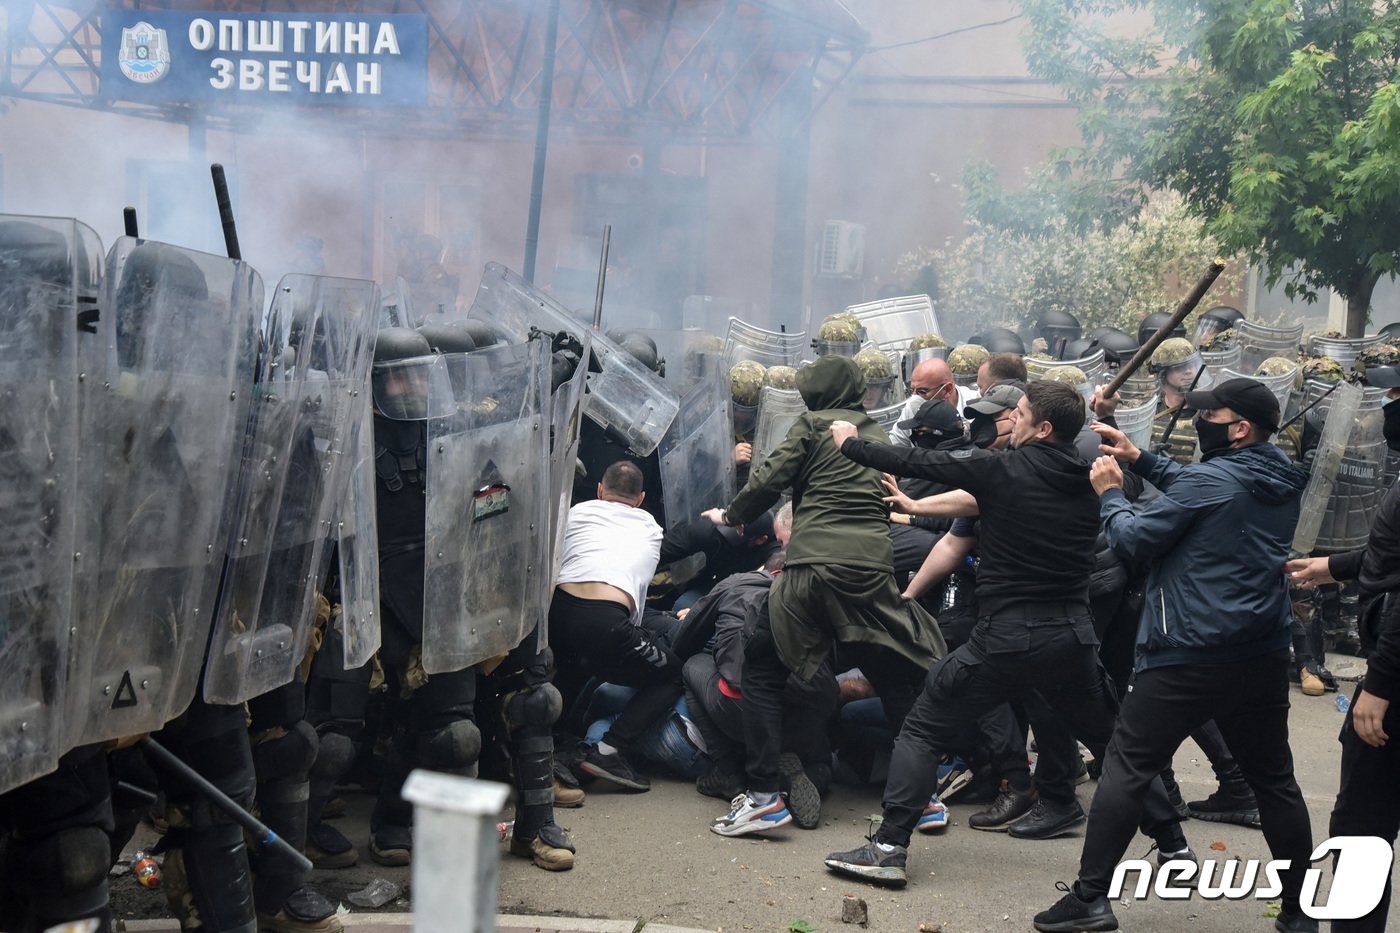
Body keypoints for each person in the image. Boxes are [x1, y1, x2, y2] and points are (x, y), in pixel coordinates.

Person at [823, 380, 1187, 888]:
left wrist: (848, 443)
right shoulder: (1097, 479)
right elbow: (1130, 472)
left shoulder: (999, 469)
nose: (1009, 421)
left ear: (1042, 427)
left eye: (1018, 414)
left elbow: (918, 462)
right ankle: (1176, 849)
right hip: (1071, 641)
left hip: (1005, 638)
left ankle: (888, 847)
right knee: (1119, 746)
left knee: (924, 729)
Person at [1034, 377, 1315, 933]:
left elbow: (1133, 540)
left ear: (1239, 429)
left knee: (1127, 766)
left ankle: (1090, 899)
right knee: (1275, 781)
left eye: (1210, 413)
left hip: (1186, 651)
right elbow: (1206, 488)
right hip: (1259, 652)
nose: (1198, 419)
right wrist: (1142, 458)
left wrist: (1111, 492)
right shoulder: (1280, 478)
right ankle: (1299, 913)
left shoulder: (1214, 480)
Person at [702, 355, 945, 836]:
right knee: (894, 678)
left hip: (811, 569)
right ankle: (925, 798)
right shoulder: (873, 434)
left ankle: (765, 798)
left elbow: (768, 480)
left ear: (812, 393)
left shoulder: (812, 426)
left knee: (763, 669)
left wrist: (730, 516)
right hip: (873, 569)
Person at [1285, 362, 1400, 933]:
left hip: (1394, 686)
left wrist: (1379, 685)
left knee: (1361, 828)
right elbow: (1390, 555)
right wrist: (1333, 566)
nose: (1387, 408)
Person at [550, 461, 672, 791]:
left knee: (572, 665)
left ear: (600, 490)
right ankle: (609, 749)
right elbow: (638, 588)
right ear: (641, 498)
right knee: (673, 675)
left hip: (557, 611)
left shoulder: (575, 512)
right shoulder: (650, 527)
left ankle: (553, 743)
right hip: (607, 621)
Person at [889, 356, 975, 447]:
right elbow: (893, 447)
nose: (915, 397)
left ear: (947, 390)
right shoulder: (913, 407)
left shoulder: (975, 406)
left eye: (922, 392)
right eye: (912, 390)